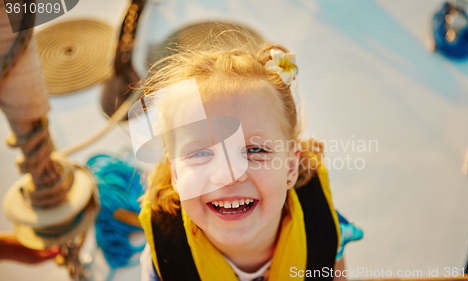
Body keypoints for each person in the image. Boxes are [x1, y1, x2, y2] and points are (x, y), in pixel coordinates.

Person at [136, 29, 363, 281]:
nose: (229, 175)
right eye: (200, 153)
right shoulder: (165, 255)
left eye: (255, 150)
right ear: (176, 174)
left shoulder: (324, 230)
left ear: (290, 167)